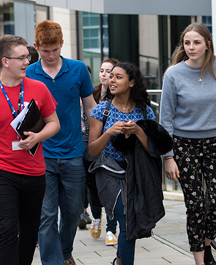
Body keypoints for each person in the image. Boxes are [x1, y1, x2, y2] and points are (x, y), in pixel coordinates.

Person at [0, 34, 60, 265]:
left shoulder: (39, 88)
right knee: (7, 229)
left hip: (35, 172)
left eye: (28, 57)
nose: (28, 62)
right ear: (5, 61)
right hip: (1, 172)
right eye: (22, 58)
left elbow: (54, 123)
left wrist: (38, 136)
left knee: (29, 231)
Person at [160, 22, 216, 265]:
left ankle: (205, 245)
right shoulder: (174, 74)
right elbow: (165, 118)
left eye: (197, 42)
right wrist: (169, 156)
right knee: (195, 205)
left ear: (207, 44)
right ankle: (201, 261)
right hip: (184, 146)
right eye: (187, 42)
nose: (191, 47)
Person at [26, 20, 96, 265]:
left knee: (73, 212)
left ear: (62, 44)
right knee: (46, 216)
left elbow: (90, 107)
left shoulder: (78, 69)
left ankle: (65, 252)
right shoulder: (29, 73)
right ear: (36, 47)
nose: (51, 54)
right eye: (45, 50)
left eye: (55, 49)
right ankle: (53, 261)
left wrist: (97, 137)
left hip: (73, 153)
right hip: (41, 155)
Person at [88, 62, 159, 265]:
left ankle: (119, 261)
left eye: (118, 77)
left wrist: (138, 131)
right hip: (109, 172)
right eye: (111, 76)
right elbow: (92, 150)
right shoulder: (102, 110)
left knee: (131, 225)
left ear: (131, 82)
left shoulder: (146, 112)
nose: (112, 80)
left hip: (136, 173)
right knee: (127, 224)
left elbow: (153, 150)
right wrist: (109, 132)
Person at [82, 58, 119, 246]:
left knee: (111, 188)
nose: (105, 74)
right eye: (102, 70)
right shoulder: (91, 93)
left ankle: (111, 229)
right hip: (91, 146)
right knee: (93, 186)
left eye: (109, 71)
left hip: (111, 147)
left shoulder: (118, 95)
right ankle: (96, 218)